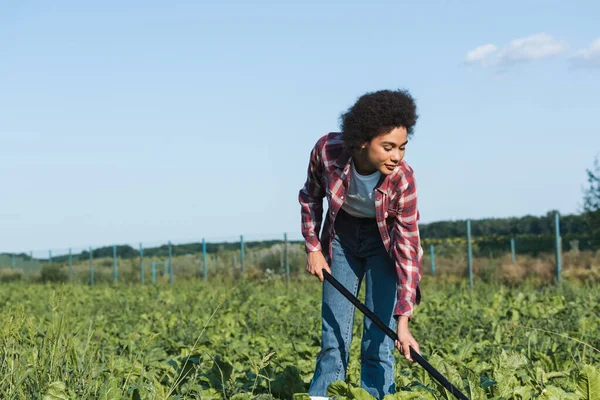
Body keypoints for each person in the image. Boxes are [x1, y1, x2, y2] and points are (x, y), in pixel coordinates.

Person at [298, 89, 423, 398]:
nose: (397, 156)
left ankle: (376, 394)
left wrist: (403, 322)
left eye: (403, 148)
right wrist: (313, 247)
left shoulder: (403, 180)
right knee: (334, 334)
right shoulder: (328, 151)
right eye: (388, 147)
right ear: (363, 140)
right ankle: (322, 394)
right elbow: (311, 196)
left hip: (385, 244)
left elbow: (407, 248)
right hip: (342, 238)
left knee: (379, 338)